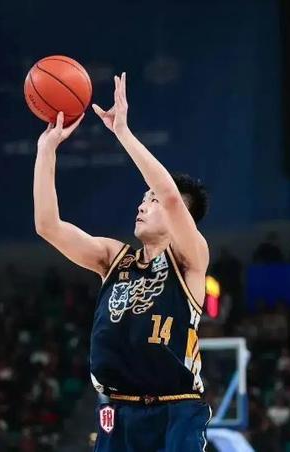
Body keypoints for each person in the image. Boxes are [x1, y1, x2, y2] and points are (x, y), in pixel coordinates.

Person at [33, 72, 211, 451]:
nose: (143, 204)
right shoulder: (114, 258)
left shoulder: (190, 260)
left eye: (152, 200)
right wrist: (46, 151)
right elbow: (48, 226)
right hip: (117, 411)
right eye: (143, 199)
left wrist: (123, 133)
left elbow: (171, 197)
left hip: (176, 409)